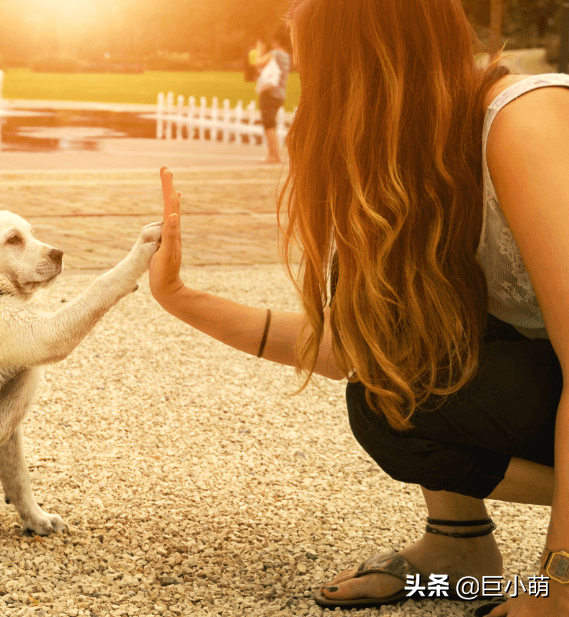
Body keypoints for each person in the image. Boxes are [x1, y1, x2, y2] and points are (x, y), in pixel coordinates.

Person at [148, 0, 569, 615]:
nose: (306, 99)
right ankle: (459, 554)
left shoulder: (525, 120)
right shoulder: (418, 172)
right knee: (388, 396)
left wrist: (557, 588)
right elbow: (353, 354)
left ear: (369, 70)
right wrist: (179, 297)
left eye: (318, 74)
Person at [255, 27, 291, 164]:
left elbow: (257, 62)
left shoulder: (274, 53)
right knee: (270, 123)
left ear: (276, 40)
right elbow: (266, 71)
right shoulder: (287, 56)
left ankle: (275, 156)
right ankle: (271, 155)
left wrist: (259, 50)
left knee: (269, 125)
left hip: (270, 93)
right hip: (280, 94)